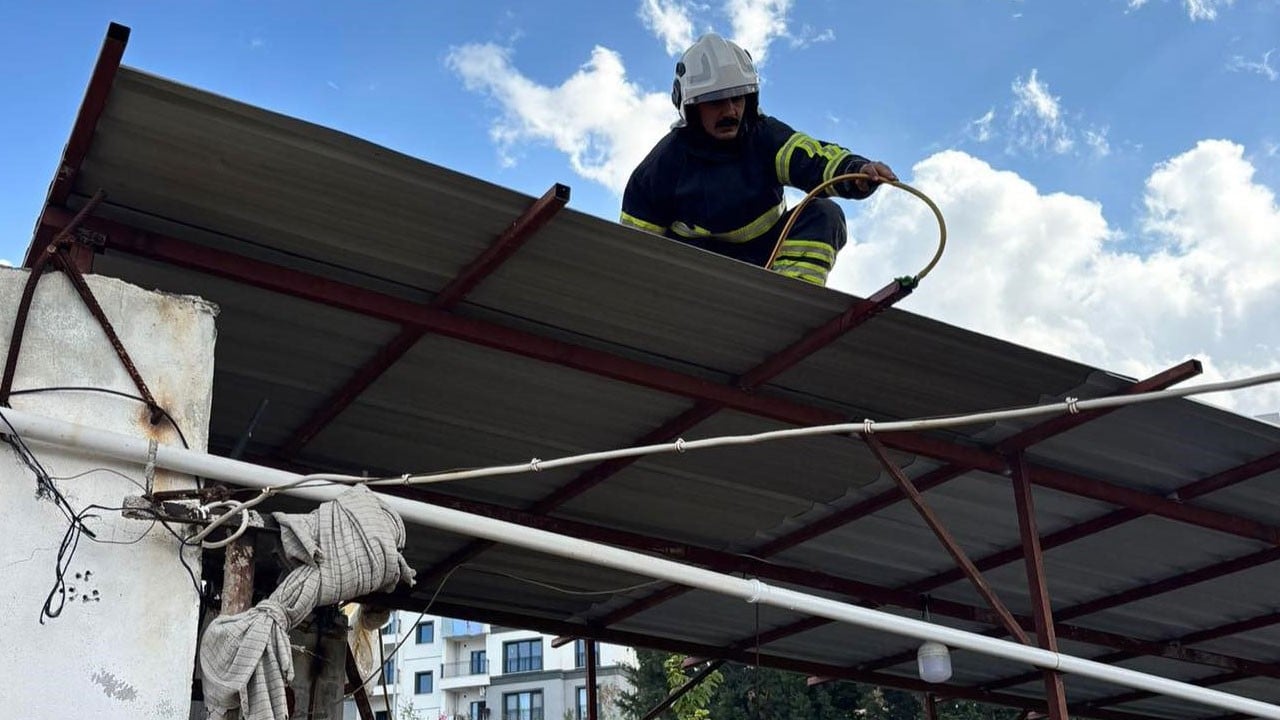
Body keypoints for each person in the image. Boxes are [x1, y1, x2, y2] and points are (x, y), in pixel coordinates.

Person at [621, 33, 897, 287]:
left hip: (768, 257)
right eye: (716, 101)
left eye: (737, 98)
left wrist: (856, 170)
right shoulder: (659, 170)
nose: (730, 110)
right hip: (698, 275)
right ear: (692, 108)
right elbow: (635, 252)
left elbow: (812, 158)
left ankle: (790, 299)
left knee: (825, 214)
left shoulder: (764, 136)